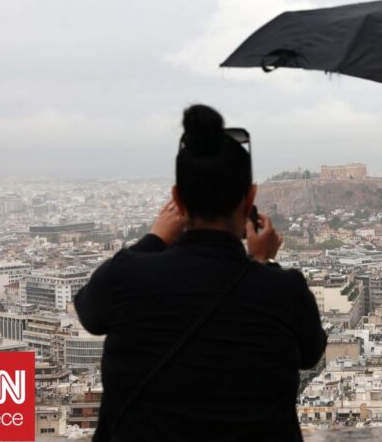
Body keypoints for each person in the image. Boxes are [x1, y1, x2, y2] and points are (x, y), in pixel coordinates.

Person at [75, 104, 326, 441]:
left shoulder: (127, 277)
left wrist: (154, 238)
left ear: (177, 198)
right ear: (250, 197)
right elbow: (311, 352)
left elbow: (89, 312)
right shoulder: (284, 291)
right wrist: (263, 264)